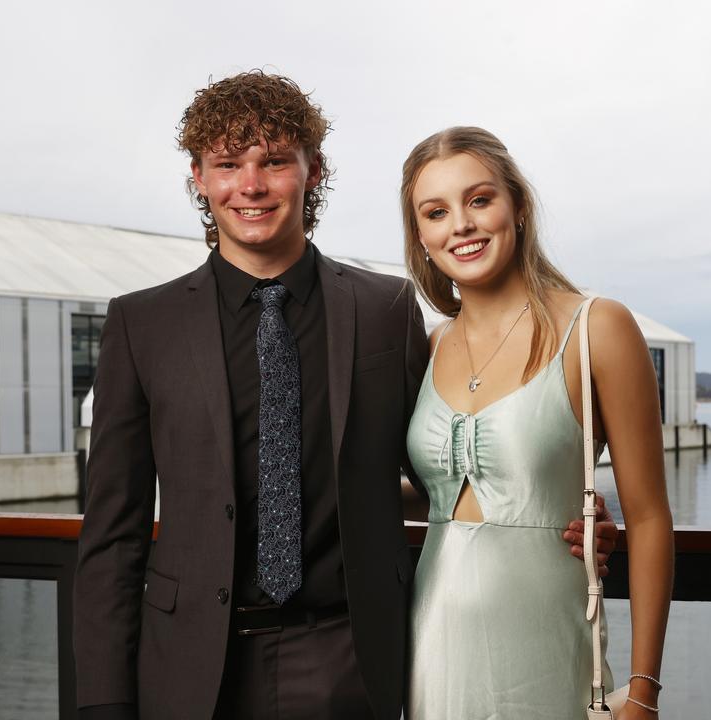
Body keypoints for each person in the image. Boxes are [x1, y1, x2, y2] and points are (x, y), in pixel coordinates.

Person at [72, 72, 617, 720]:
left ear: (313, 169)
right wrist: (103, 702)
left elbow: (445, 469)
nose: (251, 185)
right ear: (199, 177)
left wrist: (565, 509)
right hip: (189, 666)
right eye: (227, 164)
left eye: (274, 161)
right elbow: (113, 533)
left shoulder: (384, 310)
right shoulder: (143, 324)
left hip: (351, 657)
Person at [401, 127, 674, 718]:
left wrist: (644, 691)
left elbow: (650, 516)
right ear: (421, 236)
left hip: (547, 641)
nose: (461, 225)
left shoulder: (596, 328)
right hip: (430, 642)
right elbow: (430, 488)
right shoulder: (427, 347)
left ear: (517, 207)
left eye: (479, 200)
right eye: (436, 212)